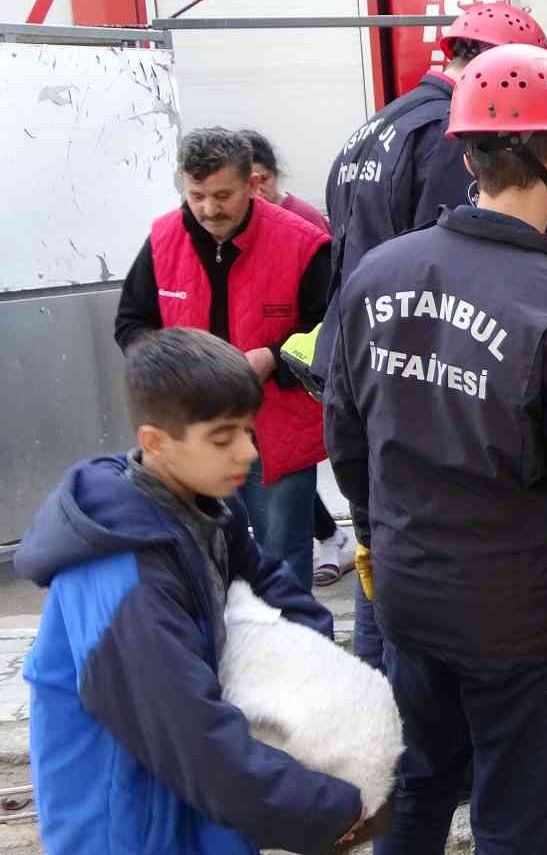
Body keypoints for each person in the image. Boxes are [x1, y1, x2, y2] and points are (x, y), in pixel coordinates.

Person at [324, 43, 547, 855]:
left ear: (469, 153)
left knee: (418, 786)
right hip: (523, 625)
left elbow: (345, 426)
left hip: (408, 597)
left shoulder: (378, 273)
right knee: (513, 816)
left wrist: (371, 534)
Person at [19, 328, 381, 854]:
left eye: (247, 430)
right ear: (154, 442)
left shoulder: (199, 497)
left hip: (194, 796)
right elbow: (195, 740)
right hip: (126, 820)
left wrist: (318, 668)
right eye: (222, 437)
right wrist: (327, 808)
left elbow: (269, 586)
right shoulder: (120, 579)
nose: (247, 452)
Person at [297, 2, 547, 667]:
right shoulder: (446, 133)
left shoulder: (374, 127)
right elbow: (452, 267)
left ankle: (385, 704)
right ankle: (406, 712)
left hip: (362, 362)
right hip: (415, 369)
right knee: (414, 552)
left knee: (384, 539)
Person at [114, 128, 331, 591]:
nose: (210, 209)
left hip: (277, 430)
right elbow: (132, 325)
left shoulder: (303, 242)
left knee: (284, 562)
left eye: (222, 195)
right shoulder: (162, 240)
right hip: (191, 432)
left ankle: (291, 655)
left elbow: (331, 330)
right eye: (197, 196)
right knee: (199, 559)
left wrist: (273, 358)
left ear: (253, 184)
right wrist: (173, 369)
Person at [240, 127, 357, 586]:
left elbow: (327, 310)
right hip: (251, 399)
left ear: (268, 177)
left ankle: (332, 542)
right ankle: (332, 536)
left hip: (293, 383)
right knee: (275, 481)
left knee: (285, 481)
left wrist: (274, 356)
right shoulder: (240, 231)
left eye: (257, 180)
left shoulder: (302, 226)